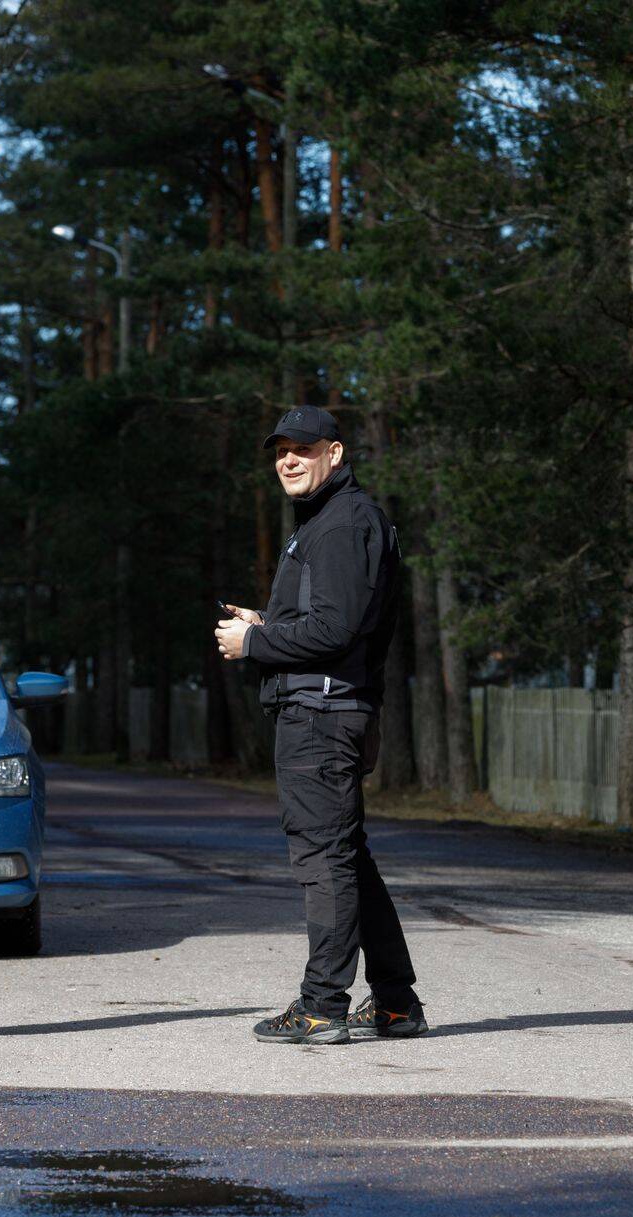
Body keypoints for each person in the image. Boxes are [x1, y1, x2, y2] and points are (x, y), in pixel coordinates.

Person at [214, 405, 428, 1045]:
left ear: (333, 454)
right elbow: (334, 620)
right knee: (347, 858)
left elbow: (334, 631)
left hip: (321, 715)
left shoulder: (340, 524)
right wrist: (267, 623)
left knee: (324, 860)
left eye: (302, 449)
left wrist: (254, 644)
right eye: (280, 449)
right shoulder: (333, 521)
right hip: (330, 708)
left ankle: (321, 1005)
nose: (287, 459)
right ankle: (394, 1002)